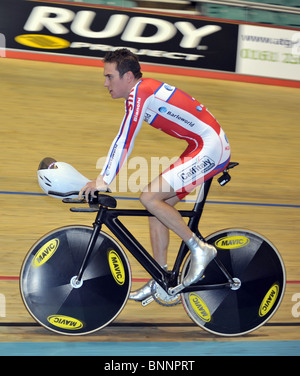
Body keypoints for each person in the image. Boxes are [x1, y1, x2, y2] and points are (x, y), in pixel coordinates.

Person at [79, 48, 231, 302]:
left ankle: (200, 249)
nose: (105, 83)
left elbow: (125, 138)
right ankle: (163, 280)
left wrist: (103, 180)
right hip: (200, 145)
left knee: (149, 197)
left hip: (210, 146)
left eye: (109, 77)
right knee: (157, 208)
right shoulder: (142, 91)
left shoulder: (141, 92)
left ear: (128, 77)